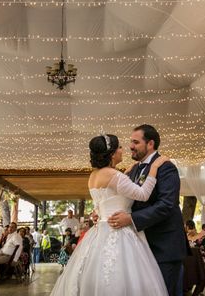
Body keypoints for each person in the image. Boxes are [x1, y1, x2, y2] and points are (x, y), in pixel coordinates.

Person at [50, 132, 171, 295]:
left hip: (99, 231)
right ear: (112, 153)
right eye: (120, 147)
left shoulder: (94, 176)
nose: (123, 149)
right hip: (119, 231)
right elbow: (143, 194)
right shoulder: (114, 176)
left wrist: (97, 212)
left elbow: (105, 199)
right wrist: (154, 168)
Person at [108, 125, 188, 295]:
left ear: (150, 144)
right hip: (142, 248)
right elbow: (126, 199)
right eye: (130, 142)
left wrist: (131, 219)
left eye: (135, 142)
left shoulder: (166, 167)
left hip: (164, 248)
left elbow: (166, 204)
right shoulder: (134, 169)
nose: (130, 146)